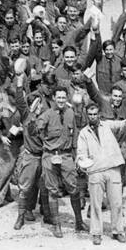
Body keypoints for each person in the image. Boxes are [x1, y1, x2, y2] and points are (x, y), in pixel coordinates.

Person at [76, 100, 126, 245]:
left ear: (99, 115)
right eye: (90, 114)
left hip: (113, 168)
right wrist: (82, 161)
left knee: (117, 203)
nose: (93, 117)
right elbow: (81, 153)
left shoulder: (107, 125)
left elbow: (122, 124)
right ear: (86, 115)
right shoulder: (83, 133)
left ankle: (118, 231)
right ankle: (96, 233)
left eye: (95, 114)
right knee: (96, 205)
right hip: (95, 171)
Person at [39, 85, 84, 237]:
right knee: (52, 191)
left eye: (64, 98)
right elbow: (35, 130)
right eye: (58, 98)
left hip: (66, 156)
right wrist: (46, 146)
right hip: (50, 155)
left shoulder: (71, 112)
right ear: (53, 99)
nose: (61, 100)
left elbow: (75, 133)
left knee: (74, 188)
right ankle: (56, 225)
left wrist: (77, 153)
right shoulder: (46, 115)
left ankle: (79, 221)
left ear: (67, 99)